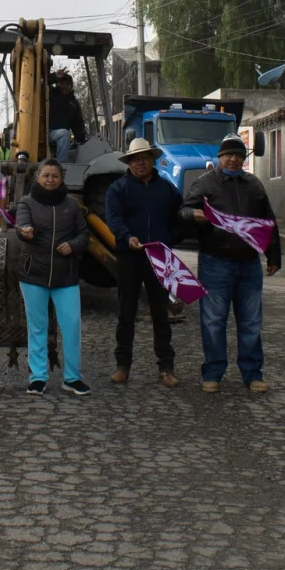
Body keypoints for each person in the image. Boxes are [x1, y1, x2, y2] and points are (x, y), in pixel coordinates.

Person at [182, 134, 282, 394]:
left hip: (249, 264)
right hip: (215, 263)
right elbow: (183, 210)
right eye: (229, 155)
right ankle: (213, 373)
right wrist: (194, 215)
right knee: (213, 320)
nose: (234, 159)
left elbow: (267, 222)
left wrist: (273, 256)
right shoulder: (205, 184)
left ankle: (252, 374)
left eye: (239, 155)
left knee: (251, 322)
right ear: (220, 157)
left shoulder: (254, 185)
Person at [103, 137, 184, 387]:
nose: (141, 162)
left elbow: (179, 218)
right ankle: (122, 365)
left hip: (160, 258)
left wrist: (168, 240)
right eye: (136, 158)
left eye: (145, 157)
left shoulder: (168, 189)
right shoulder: (118, 189)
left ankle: (166, 367)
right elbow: (113, 220)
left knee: (161, 313)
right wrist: (127, 238)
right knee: (126, 313)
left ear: (153, 160)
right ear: (129, 162)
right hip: (129, 257)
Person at [14, 159, 92, 396]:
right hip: (33, 274)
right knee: (37, 327)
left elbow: (84, 234)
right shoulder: (26, 202)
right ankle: (38, 377)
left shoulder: (72, 205)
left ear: (61, 179)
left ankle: (72, 377)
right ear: (37, 177)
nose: (50, 180)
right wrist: (24, 231)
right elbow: (21, 225)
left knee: (72, 326)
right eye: (46, 175)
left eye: (54, 176)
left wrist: (73, 245)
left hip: (65, 276)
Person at [47, 71, 87, 162]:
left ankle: (61, 165)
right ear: (57, 84)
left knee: (65, 135)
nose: (64, 86)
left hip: (61, 137)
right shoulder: (50, 94)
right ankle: (61, 166)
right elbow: (40, 82)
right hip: (47, 133)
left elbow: (77, 124)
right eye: (61, 83)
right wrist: (54, 76)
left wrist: (82, 139)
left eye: (67, 84)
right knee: (64, 134)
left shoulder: (74, 103)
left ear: (71, 86)